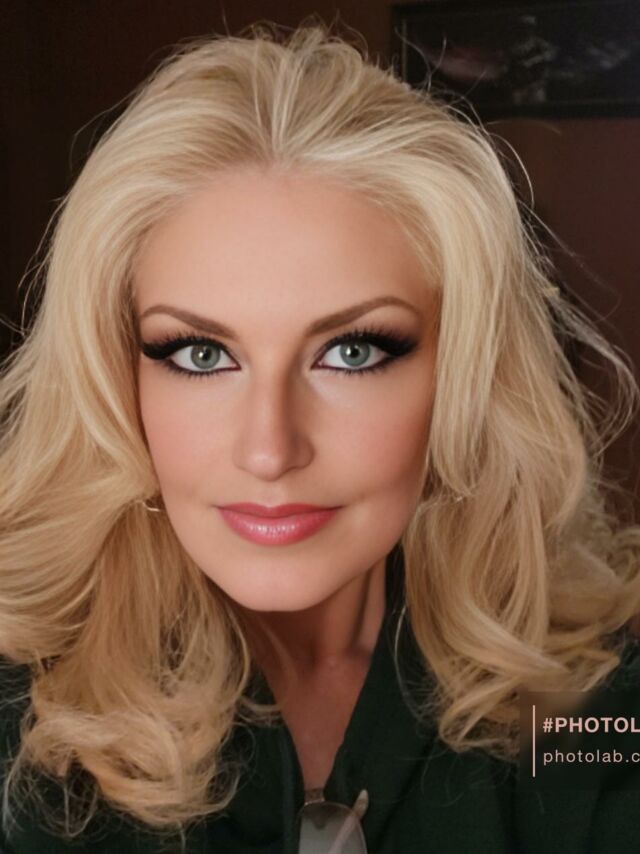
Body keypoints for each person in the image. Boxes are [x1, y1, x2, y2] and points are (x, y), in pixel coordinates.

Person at [1, 20, 640, 854]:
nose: (270, 450)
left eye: (352, 352)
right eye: (200, 354)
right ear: (117, 380)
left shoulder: (592, 704)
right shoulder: (22, 712)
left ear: (462, 379)